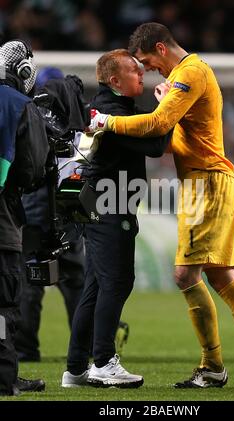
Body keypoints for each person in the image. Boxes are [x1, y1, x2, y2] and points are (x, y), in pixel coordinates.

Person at [90, 23, 234, 388]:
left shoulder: (190, 73)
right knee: (221, 276)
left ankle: (213, 365)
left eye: (149, 62)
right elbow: (167, 141)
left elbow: (158, 122)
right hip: (208, 181)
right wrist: (155, 112)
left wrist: (107, 122)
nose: (149, 70)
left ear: (161, 49)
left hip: (207, 183)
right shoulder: (186, 77)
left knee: (185, 275)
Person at [61, 49, 171, 388]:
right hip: (109, 206)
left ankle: (76, 368)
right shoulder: (110, 112)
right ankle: (104, 362)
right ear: (114, 80)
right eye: (134, 71)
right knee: (116, 282)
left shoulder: (110, 107)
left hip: (101, 204)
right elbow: (156, 146)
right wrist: (167, 105)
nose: (141, 75)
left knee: (95, 286)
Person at [15, 67, 86, 363]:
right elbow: (80, 172)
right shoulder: (75, 125)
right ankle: (86, 349)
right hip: (67, 213)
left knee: (31, 284)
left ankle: (26, 349)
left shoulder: (28, 116)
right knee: (76, 282)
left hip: (33, 214)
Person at [0, 40, 49, 395]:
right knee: (2, 303)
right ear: (24, 71)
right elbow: (33, 169)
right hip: (2, 216)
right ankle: (4, 377)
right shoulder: (19, 105)